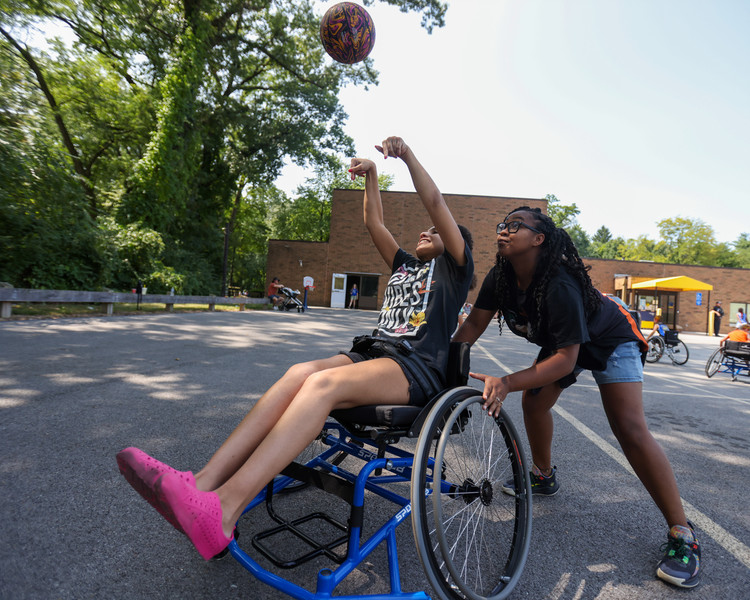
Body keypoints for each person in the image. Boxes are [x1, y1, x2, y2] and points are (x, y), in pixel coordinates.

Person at [116, 136, 474, 563]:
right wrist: (374, 177)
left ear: (454, 246)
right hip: (376, 353)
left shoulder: (454, 270)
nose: (425, 229)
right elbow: (374, 225)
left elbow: (434, 201)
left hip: (415, 366)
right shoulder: (405, 266)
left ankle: (224, 509)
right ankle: (203, 485)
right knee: (297, 373)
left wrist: (408, 156)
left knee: (322, 386)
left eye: (434, 231)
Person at [453, 206, 701, 589]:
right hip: (565, 342)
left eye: (515, 225)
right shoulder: (500, 278)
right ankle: (543, 476)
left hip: (610, 336)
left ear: (540, 239)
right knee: (534, 403)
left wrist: (505, 381)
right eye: (503, 224)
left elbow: (565, 360)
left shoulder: (560, 284)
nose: (504, 230)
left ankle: (683, 534)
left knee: (629, 429)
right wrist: (440, 359)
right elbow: (472, 326)